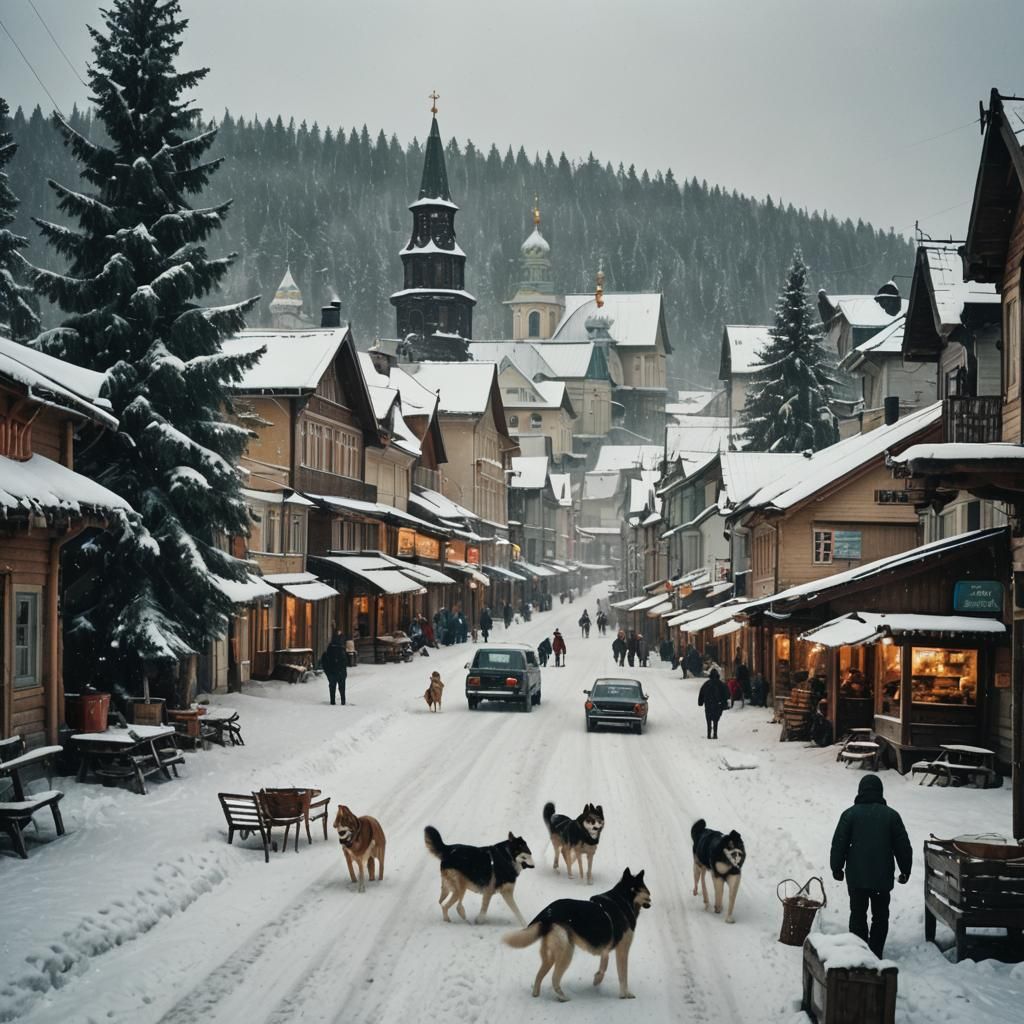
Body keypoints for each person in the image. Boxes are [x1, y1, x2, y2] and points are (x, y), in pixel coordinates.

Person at [830, 775, 912, 958]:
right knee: (880, 917)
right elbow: (903, 846)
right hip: (882, 879)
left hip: (857, 877)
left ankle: (859, 953)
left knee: (858, 914)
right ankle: (875, 952)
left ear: (860, 791)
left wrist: (837, 867)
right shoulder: (891, 816)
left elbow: (839, 843)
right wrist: (905, 869)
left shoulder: (850, 814)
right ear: (880, 792)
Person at [697, 668, 730, 739]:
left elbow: (701, 693)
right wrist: (724, 703)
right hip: (717, 704)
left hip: (708, 704)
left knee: (708, 719)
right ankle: (715, 734)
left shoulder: (706, 684)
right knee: (716, 720)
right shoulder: (721, 684)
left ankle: (708, 734)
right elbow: (726, 694)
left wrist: (700, 702)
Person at [319, 630, 348, 706]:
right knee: (340, 687)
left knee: (333, 686)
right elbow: (344, 661)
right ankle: (342, 701)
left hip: (334, 672)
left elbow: (324, 660)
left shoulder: (332, 648)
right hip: (337, 671)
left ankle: (334, 701)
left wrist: (328, 672)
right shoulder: (339, 649)